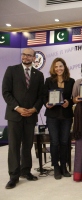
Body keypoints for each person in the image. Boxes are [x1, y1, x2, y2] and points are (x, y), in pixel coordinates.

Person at [2, 48, 44, 189]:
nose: (25, 57)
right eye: (24, 54)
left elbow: (41, 96)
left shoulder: (39, 75)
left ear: (34, 58)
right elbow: (6, 92)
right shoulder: (11, 70)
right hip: (15, 115)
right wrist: (17, 108)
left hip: (30, 116)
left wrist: (34, 109)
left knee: (27, 145)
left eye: (29, 55)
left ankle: (26, 171)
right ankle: (13, 176)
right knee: (13, 146)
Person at [44, 58, 75, 180]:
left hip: (66, 116)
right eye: (56, 66)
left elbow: (74, 97)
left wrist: (69, 102)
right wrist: (46, 103)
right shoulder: (48, 81)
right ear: (53, 68)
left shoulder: (71, 81)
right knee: (54, 142)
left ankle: (64, 166)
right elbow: (43, 96)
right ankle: (56, 166)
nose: (58, 69)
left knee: (64, 142)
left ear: (64, 67)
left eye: (61, 66)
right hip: (52, 116)